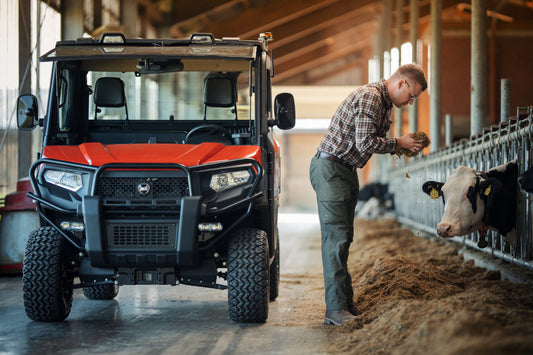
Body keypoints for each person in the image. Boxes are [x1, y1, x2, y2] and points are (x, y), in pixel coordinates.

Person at [309, 63, 428, 326]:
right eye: (411, 95)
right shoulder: (371, 98)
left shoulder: (385, 104)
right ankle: (335, 309)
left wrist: (399, 145)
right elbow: (365, 142)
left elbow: (365, 142)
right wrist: (400, 143)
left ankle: (344, 303)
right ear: (401, 83)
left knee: (344, 238)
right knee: (336, 239)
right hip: (332, 169)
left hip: (345, 169)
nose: (410, 102)